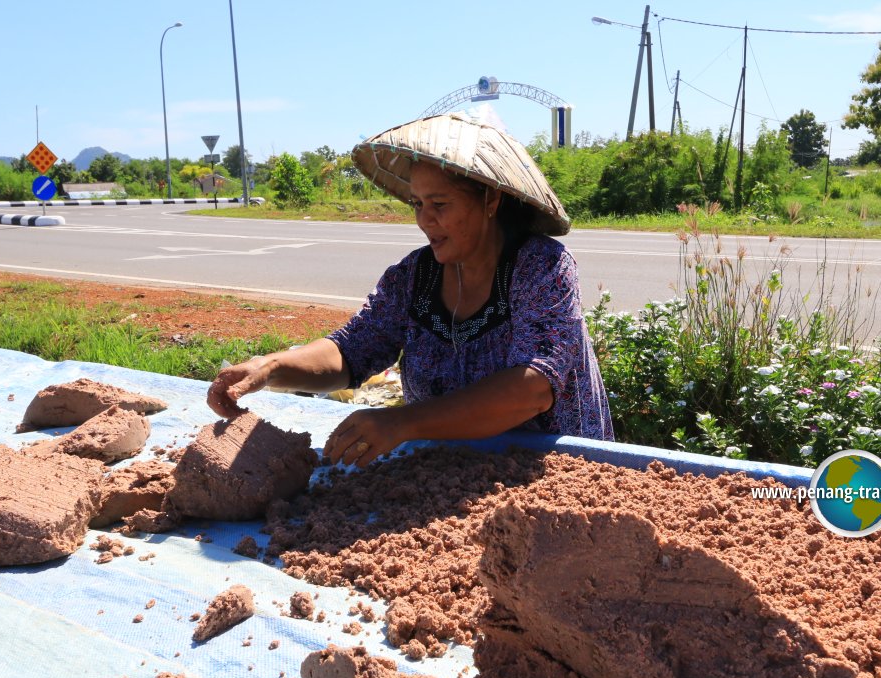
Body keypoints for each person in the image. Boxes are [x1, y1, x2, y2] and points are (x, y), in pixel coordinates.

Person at [207, 113, 613, 467]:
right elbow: (352, 349)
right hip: (447, 477)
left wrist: (403, 422)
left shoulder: (540, 266)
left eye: (440, 204)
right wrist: (274, 367)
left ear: (490, 200)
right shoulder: (413, 276)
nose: (425, 220)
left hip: (558, 473)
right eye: (417, 204)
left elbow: (531, 389)